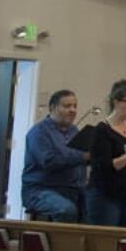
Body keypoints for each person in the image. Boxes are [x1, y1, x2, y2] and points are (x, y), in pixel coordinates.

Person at [85, 80, 126, 227]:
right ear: (116, 102)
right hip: (105, 194)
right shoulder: (102, 130)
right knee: (106, 241)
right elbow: (103, 167)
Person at [22, 90, 88, 223]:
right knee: (66, 210)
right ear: (52, 108)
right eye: (67, 106)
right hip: (40, 189)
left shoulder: (74, 131)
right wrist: (82, 157)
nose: (72, 110)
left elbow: (83, 158)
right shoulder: (39, 132)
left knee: (98, 206)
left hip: (72, 188)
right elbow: (49, 161)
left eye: (75, 106)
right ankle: (61, 243)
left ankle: (80, 243)